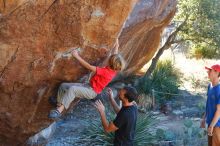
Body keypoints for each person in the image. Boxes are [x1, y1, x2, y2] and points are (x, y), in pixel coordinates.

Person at [48, 40, 125, 119]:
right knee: (63, 86)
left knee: (73, 89)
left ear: (110, 63)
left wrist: (76, 56)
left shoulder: (105, 72)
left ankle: (58, 111)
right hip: (88, 85)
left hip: (91, 92)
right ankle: (59, 104)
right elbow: (115, 56)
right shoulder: (114, 69)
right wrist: (117, 45)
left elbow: (88, 66)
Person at [200, 64, 220, 146]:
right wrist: (204, 118)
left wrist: (212, 125)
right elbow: (208, 104)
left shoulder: (219, 90)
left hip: (217, 125)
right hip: (210, 124)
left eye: (210, 70)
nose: (208, 72)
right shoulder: (210, 86)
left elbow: (219, 110)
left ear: (216, 72)